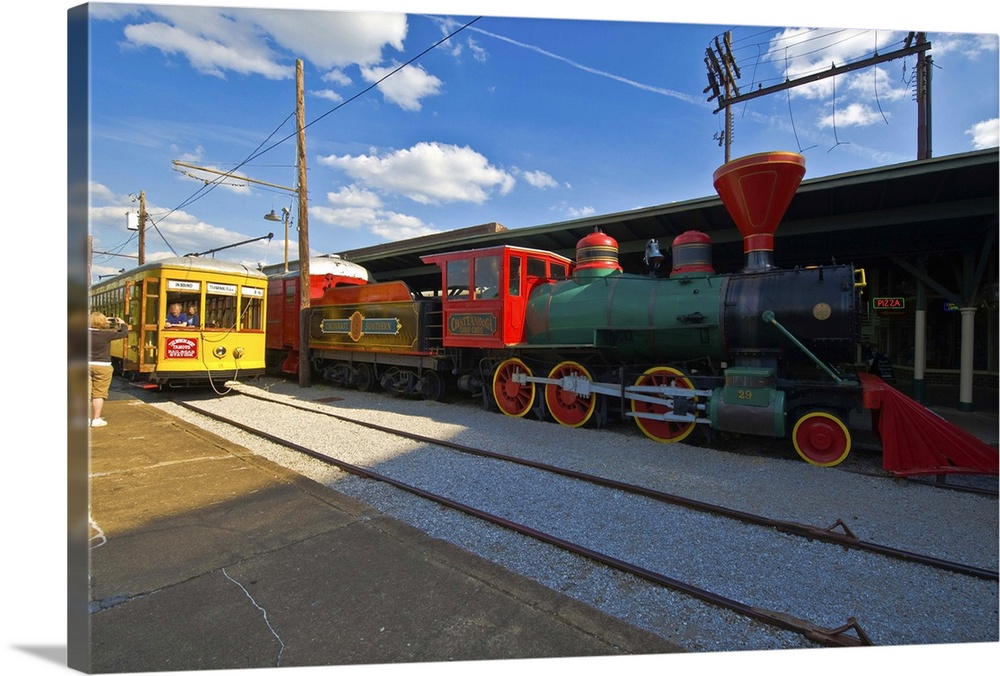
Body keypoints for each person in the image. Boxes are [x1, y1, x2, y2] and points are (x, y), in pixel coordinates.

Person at [89, 311, 128, 428]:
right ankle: (96, 419)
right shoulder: (107, 334)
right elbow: (124, 333)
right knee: (98, 394)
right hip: (103, 366)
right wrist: (122, 323)